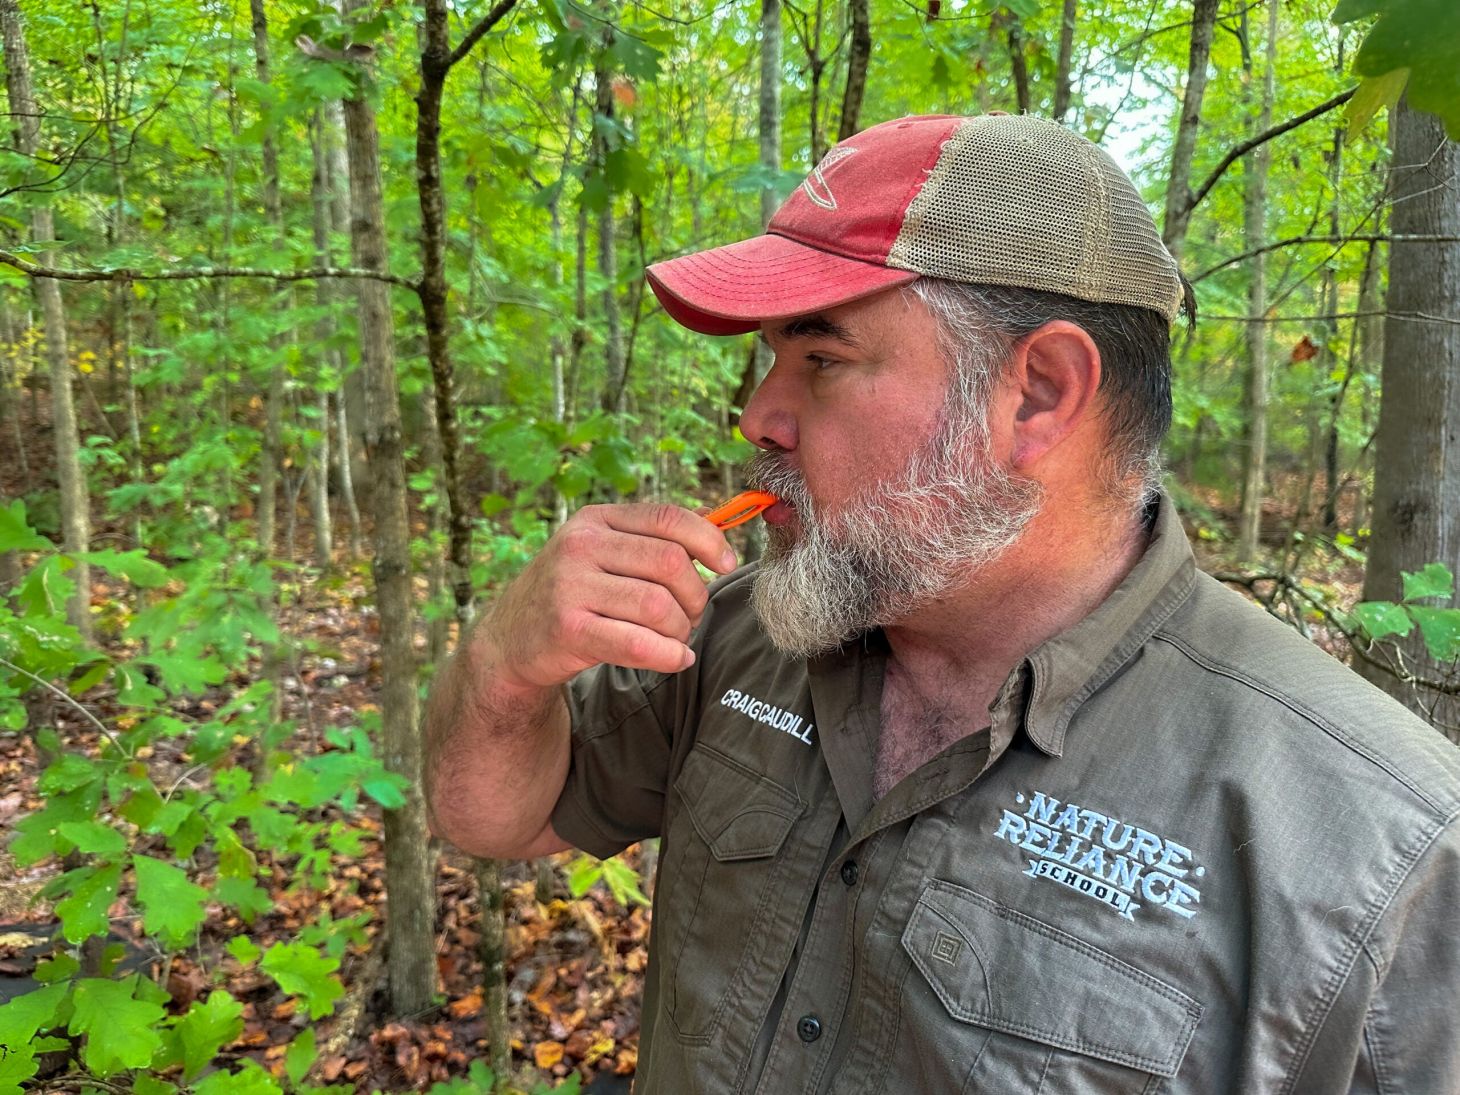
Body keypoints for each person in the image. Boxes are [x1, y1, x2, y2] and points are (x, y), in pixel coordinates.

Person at [423, 114, 1460, 1094]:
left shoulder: (1382, 850)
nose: (759, 417)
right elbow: (496, 815)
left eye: (821, 360)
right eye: (769, 359)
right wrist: (502, 669)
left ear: (1039, 393)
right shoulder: (742, 634)